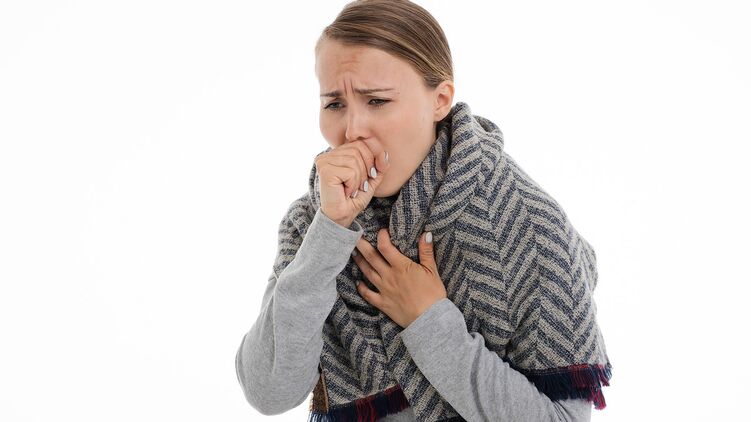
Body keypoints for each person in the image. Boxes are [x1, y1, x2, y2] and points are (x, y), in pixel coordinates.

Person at [235, 1, 612, 421]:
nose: (352, 130)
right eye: (334, 104)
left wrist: (429, 321)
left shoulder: (530, 226)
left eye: (377, 101)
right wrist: (329, 233)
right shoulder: (314, 223)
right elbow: (269, 392)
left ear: (440, 100)